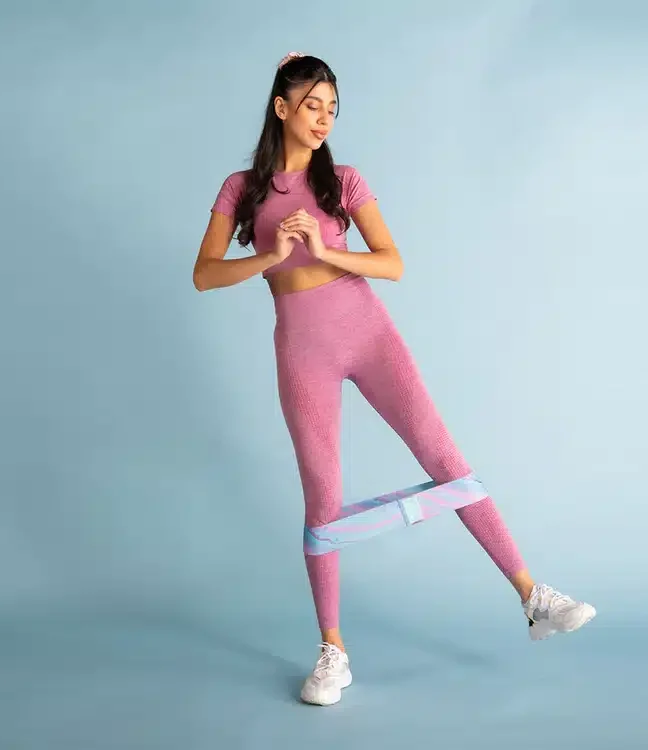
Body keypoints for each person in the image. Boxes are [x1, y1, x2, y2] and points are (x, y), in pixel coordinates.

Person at [193, 52, 596, 706]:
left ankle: (533, 598)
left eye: (332, 108)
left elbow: (393, 263)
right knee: (323, 496)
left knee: (445, 458)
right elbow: (204, 273)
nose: (324, 118)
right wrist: (272, 255)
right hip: (301, 349)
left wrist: (325, 250)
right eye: (313, 104)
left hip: (369, 333)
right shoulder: (241, 188)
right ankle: (332, 651)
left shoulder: (343, 180)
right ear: (282, 108)